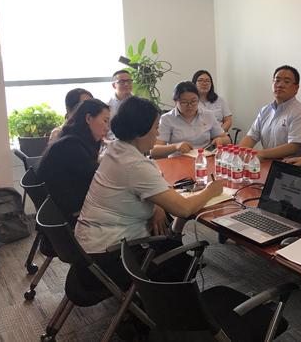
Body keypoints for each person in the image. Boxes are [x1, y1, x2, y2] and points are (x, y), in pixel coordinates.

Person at [75, 96, 223, 288]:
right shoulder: (135, 165)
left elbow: (146, 177)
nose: (158, 132)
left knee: (169, 239)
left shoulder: (116, 149)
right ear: (140, 131)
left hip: (88, 247)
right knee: (183, 264)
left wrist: (156, 205)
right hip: (111, 256)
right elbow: (184, 209)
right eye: (155, 127)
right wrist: (211, 190)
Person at [37, 99, 110, 221]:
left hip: (59, 207)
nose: (107, 128)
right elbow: (96, 178)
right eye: (105, 121)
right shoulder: (71, 145)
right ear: (88, 118)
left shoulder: (72, 138)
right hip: (67, 213)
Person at [239, 65, 301, 159]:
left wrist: (260, 154)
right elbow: (251, 137)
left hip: (293, 165)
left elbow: (293, 146)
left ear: (296, 88)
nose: (280, 85)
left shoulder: (300, 112)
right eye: (277, 80)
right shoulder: (265, 110)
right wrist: (240, 152)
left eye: (286, 82)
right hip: (268, 162)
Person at [151, 81, 230, 158]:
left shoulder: (208, 115)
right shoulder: (167, 119)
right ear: (175, 102)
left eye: (193, 101)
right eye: (184, 102)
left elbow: (227, 139)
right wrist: (175, 147)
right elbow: (154, 151)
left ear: (198, 100)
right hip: (178, 161)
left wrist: (220, 140)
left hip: (204, 159)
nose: (190, 106)